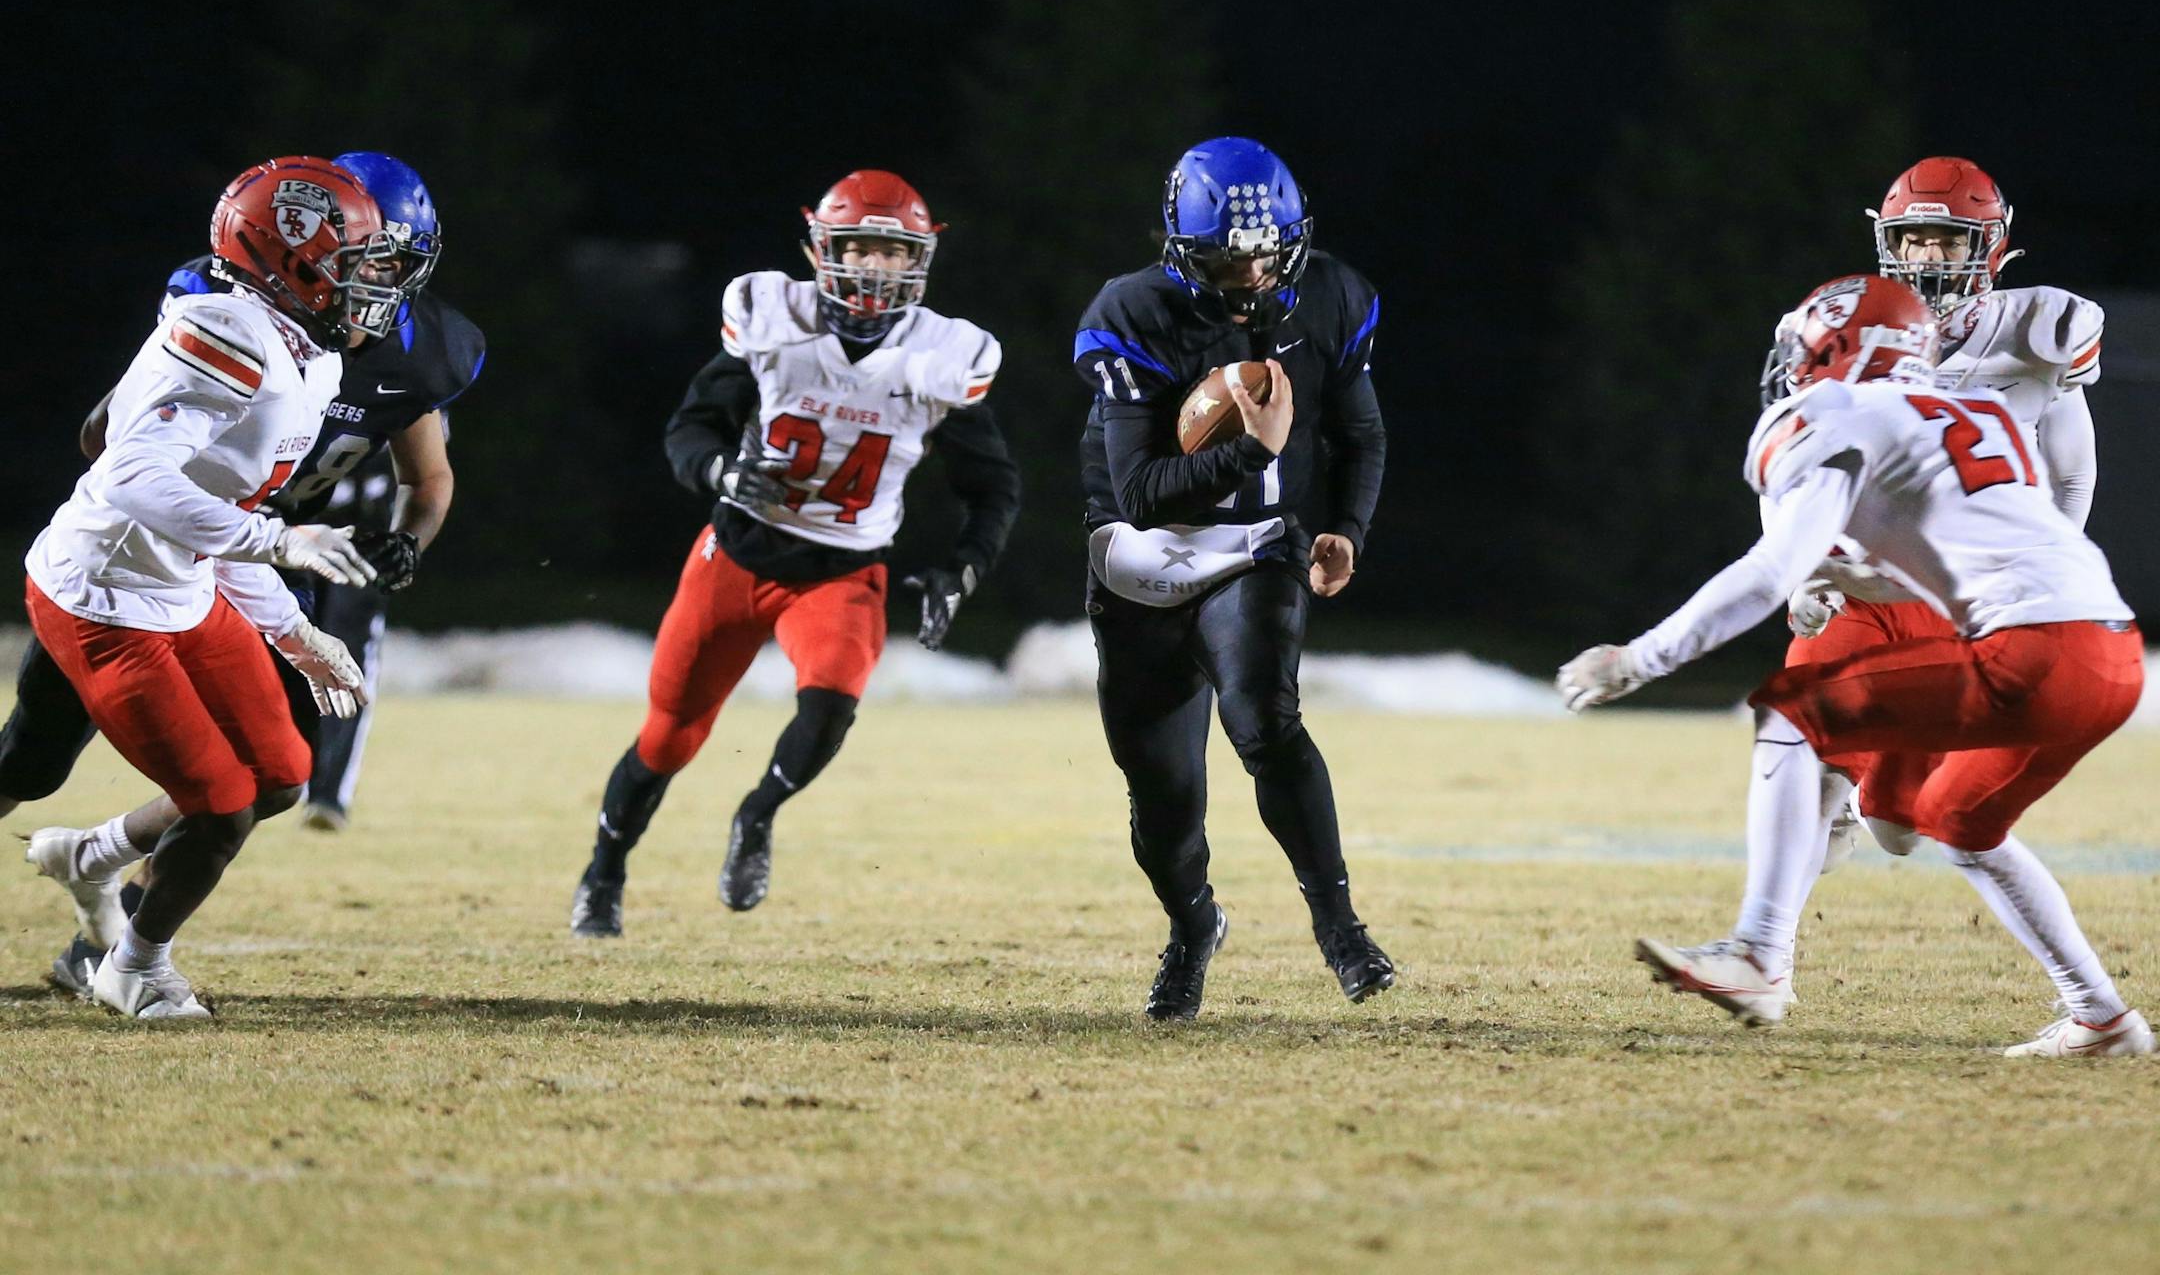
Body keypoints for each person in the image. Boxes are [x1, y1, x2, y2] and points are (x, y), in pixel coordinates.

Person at [1560, 274, 2149, 1057]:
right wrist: (1850, 577)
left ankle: (1759, 954)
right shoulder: (1980, 412)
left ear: (1838, 349)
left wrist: (1640, 659)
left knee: (1791, 708)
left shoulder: (1837, 409)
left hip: (2030, 651)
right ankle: (2104, 1018)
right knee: (1964, 827)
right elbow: (1966, 543)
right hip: (2113, 653)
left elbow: (1771, 572)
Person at [12, 153, 481, 994]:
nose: (383, 281)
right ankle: (132, 964)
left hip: (207, 568)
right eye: (365, 260)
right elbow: (120, 462)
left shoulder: (324, 355)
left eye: (388, 258)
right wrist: (280, 543)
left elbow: (378, 483)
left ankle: (96, 867)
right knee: (50, 763)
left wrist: (297, 629)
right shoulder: (223, 322)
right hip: (113, 587)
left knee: (274, 775)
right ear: (295, 260)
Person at [570, 170, 1020, 936]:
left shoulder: (945, 357)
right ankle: (604, 870)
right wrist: (721, 470)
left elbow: (994, 487)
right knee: (668, 736)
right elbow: (690, 429)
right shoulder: (773, 320)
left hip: (843, 570)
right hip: (737, 554)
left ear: (919, 261)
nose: (876, 268)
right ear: (824, 249)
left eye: (893, 252)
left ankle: (757, 813)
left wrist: (964, 566)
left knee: (832, 702)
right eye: (861, 248)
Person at [1073, 137, 1389, 1020]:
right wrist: (1252, 448)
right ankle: (1192, 927)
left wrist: (1345, 530)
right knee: (1163, 796)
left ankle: (1341, 928)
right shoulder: (1131, 312)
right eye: (1227, 256)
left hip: (1257, 543)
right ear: (1182, 247)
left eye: (1265, 251)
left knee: (1262, 717)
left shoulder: (1330, 294)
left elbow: (1362, 435)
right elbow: (1137, 492)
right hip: (1141, 556)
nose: (1250, 272)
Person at [1778, 158, 2105, 874]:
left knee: (1901, 828)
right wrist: (1805, 568)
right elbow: (1797, 471)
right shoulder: (1848, 327)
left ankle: (1873, 806)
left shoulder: (2042, 329)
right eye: (1914, 239)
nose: (1928, 256)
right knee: (1802, 771)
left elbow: (2073, 471)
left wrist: (2042, 581)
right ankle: (1764, 961)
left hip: (1970, 590)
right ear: (1887, 242)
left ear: (1989, 245)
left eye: (1948, 241)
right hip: (1869, 578)